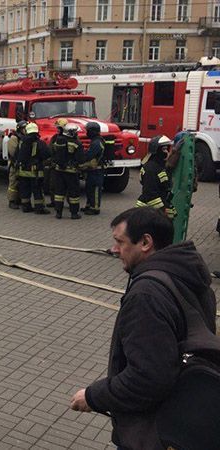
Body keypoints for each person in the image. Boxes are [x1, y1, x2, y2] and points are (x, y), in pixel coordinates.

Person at [70, 207, 217, 450]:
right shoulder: (189, 274)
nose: (114, 249)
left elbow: (148, 377)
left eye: (120, 242)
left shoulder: (147, 295)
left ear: (146, 242)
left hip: (152, 431)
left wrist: (93, 396)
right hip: (186, 417)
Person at [51, 122, 85, 219]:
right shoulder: (76, 143)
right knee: (73, 193)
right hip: (71, 172)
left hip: (58, 170)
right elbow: (80, 159)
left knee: (59, 192)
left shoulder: (58, 140)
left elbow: (53, 152)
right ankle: (74, 214)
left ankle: (58, 213)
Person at [137, 135, 175, 219]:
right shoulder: (150, 169)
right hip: (150, 211)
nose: (167, 152)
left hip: (159, 206)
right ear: (157, 151)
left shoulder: (160, 166)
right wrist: (162, 210)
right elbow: (150, 194)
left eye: (167, 149)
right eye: (164, 149)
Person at [16, 122, 51, 214]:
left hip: (22, 171)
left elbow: (17, 155)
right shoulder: (40, 143)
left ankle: (26, 207)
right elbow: (46, 155)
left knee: (25, 189)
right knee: (37, 190)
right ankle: (39, 209)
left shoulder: (21, 142)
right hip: (35, 171)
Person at [82, 122, 105, 215]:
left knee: (95, 188)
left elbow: (90, 155)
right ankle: (89, 205)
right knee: (89, 188)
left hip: (97, 170)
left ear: (93, 131)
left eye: (88, 131)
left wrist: (82, 156)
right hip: (92, 169)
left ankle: (95, 208)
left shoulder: (97, 142)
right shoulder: (96, 140)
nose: (86, 133)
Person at [6, 121, 26, 209]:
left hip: (22, 164)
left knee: (21, 182)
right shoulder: (14, 138)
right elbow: (13, 152)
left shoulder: (25, 138)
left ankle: (19, 199)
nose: (25, 130)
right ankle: (12, 201)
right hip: (14, 164)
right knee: (13, 182)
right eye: (24, 128)